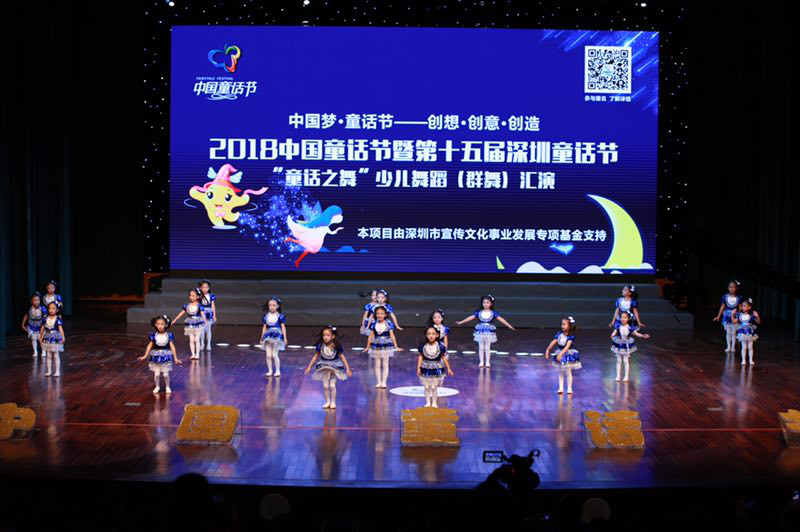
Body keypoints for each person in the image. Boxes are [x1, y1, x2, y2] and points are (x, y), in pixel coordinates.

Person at [455, 295, 515, 368]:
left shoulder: (493, 312)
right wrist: (462, 322)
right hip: (480, 331)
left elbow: (501, 319)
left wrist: (509, 325)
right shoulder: (479, 312)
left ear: (491, 304)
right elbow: (471, 317)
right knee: (481, 347)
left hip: (489, 331)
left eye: (487, 302)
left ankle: (487, 362)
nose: (485, 304)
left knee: (487, 347)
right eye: (484, 302)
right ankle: (481, 362)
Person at [305, 326, 352, 409]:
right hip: (324, 366)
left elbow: (342, 356)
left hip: (334, 366)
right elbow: (316, 356)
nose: (325, 337)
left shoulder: (336, 345)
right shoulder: (320, 345)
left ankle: (333, 402)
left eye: (328, 335)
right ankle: (327, 402)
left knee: (332, 385)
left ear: (333, 336)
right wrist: (309, 367)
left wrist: (348, 368)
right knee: (325, 386)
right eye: (324, 335)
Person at [138, 315, 182, 394]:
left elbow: (172, 346)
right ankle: (157, 386)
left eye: (162, 324)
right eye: (158, 324)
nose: (160, 326)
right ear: (155, 324)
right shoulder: (153, 335)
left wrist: (175, 358)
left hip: (166, 356)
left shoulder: (168, 335)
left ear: (166, 325)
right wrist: (145, 355)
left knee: (165, 374)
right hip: (156, 356)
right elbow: (149, 346)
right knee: (157, 374)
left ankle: (167, 386)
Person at [365, 305, 403, 388]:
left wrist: (396, 346)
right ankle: (378, 382)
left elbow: (392, 336)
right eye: (378, 313)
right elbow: (370, 336)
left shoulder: (388, 323)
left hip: (386, 345)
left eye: (382, 313)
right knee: (377, 364)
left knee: (385, 364)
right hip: (376, 345)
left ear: (385, 314)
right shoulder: (374, 323)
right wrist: (367, 347)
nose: (379, 315)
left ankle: (384, 382)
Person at [417, 326, 454, 408]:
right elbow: (420, 356)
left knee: (434, 387)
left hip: (437, 368)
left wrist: (449, 368)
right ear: (426, 335)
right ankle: (427, 403)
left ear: (437, 335)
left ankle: (434, 403)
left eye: (433, 334)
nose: (431, 336)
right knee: (427, 387)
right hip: (425, 367)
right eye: (429, 334)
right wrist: (418, 368)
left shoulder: (440, 346)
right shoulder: (423, 346)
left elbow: (443, 357)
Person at [610, 311, 650, 382]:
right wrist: (612, 335)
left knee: (626, 360)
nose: (623, 319)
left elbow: (636, 334)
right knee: (618, 360)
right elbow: (614, 332)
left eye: (625, 317)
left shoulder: (630, 327)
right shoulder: (618, 325)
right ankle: (618, 376)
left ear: (628, 319)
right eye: (622, 317)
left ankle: (626, 376)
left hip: (626, 344)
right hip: (619, 343)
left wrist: (643, 335)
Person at [545, 317, 581, 394]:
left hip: (567, 355)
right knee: (560, 372)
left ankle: (569, 388)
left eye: (564, 324)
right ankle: (560, 388)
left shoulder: (571, 336)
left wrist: (561, 354)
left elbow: (567, 346)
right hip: (560, 353)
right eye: (562, 324)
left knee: (568, 372)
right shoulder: (559, 334)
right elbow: (554, 342)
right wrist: (548, 350)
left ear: (569, 326)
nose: (562, 326)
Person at [172, 288, 207, 360]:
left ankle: (197, 354)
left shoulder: (199, 306)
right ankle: (193, 354)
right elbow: (181, 313)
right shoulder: (187, 305)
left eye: (193, 296)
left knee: (196, 339)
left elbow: (203, 314)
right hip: (190, 324)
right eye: (190, 295)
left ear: (197, 297)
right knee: (191, 340)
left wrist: (205, 321)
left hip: (198, 323)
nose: (191, 297)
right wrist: (175, 319)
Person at [260, 297, 287, 377]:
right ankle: (270, 370)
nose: (271, 307)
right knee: (268, 355)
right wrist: (262, 337)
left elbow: (283, 327)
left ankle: (277, 370)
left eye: (274, 305)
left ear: (277, 306)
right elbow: (264, 327)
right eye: (270, 305)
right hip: (268, 336)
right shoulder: (266, 316)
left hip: (277, 337)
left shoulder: (280, 316)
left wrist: (285, 337)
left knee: (274, 355)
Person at [713, 279, 742, 352]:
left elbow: (740, 308)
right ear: (728, 288)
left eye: (733, 287)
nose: (732, 289)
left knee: (733, 332)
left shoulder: (738, 297)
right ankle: (728, 346)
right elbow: (722, 306)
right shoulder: (725, 297)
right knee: (728, 332)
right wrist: (718, 316)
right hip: (727, 315)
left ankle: (733, 347)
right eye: (730, 287)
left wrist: (741, 317)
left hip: (734, 315)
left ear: (736, 288)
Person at [39, 302, 65, 377]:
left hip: (55, 338)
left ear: (57, 310)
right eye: (49, 308)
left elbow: (60, 329)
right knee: (48, 355)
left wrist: (63, 337)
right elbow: (42, 328)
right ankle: (49, 371)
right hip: (47, 338)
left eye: (53, 308)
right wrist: (40, 336)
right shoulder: (45, 318)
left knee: (56, 355)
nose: (51, 310)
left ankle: (57, 371)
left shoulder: (57, 319)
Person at [733, 298, 761, 366]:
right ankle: (743, 360)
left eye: (744, 306)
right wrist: (732, 314)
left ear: (749, 307)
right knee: (744, 347)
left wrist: (757, 316)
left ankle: (751, 360)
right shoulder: (739, 315)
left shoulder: (751, 315)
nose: (743, 307)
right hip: (742, 332)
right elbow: (734, 321)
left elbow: (759, 322)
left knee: (750, 347)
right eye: (742, 306)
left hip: (750, 332)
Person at [21, 292, 44, 357]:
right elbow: (26, 316)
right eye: (34, 300)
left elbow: (45, 317)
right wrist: (23, 324)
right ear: (31, 301)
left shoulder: (42, 308)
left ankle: (43, 351)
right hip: (32, 325)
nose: (36, 302)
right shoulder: (30, 308)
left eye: (38, 300)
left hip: (40, 325)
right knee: (33, 338)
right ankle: (35, 351)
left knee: (40, 338)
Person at [198, 279, 217, 350]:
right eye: (203, 287)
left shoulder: (211, 296)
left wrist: (214, 315)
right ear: (200, 288)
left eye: (206, 287)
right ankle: (202, 344)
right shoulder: (199, 296)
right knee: (201, 330)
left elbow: (213, 305)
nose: (205, 289)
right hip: (201, 313)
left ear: (209, 288)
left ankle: (208, 344)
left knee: (208, 329)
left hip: (209, 313)